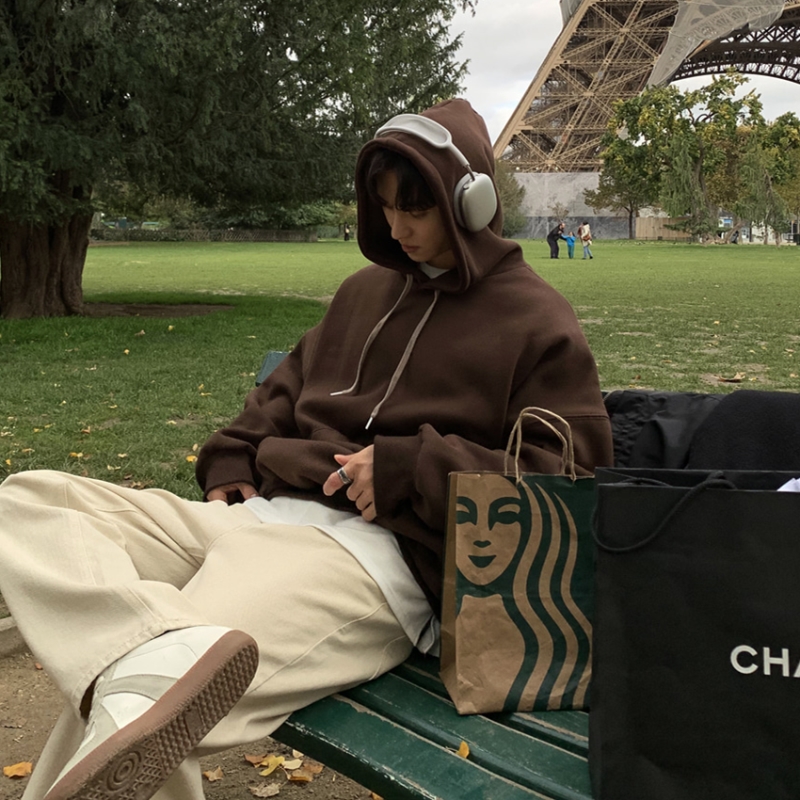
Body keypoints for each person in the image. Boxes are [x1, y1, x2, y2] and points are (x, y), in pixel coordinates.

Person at [0, 99, 613, 800]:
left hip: (372, 557)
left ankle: (154, 654)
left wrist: (412, 467)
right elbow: (282, 393)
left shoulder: (536, 319)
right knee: (29, 503)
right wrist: (231, 457)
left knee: (151, 688)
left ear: (471, 201)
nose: (397, 228)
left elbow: (568, 478)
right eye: (385, 207)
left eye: (416, 208)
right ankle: (149, 646)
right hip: (256, 516)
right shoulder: (362, 293)